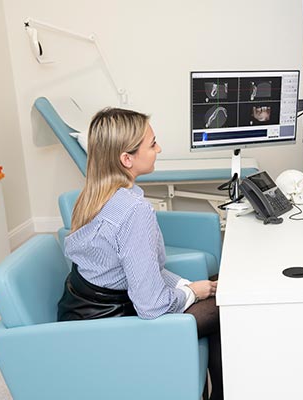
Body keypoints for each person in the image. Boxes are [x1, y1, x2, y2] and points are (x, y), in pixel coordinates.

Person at [57, 108, 223, 400]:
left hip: (82, 315)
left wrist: (187, 286)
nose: (158, 149)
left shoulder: (95, 195)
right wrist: (193, 293)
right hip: (111, 328)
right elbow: (152, 306)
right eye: (152, 144)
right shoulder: (134, 212)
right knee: (227, 305)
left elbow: (135, 270)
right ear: (126, 159)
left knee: (217, 283)